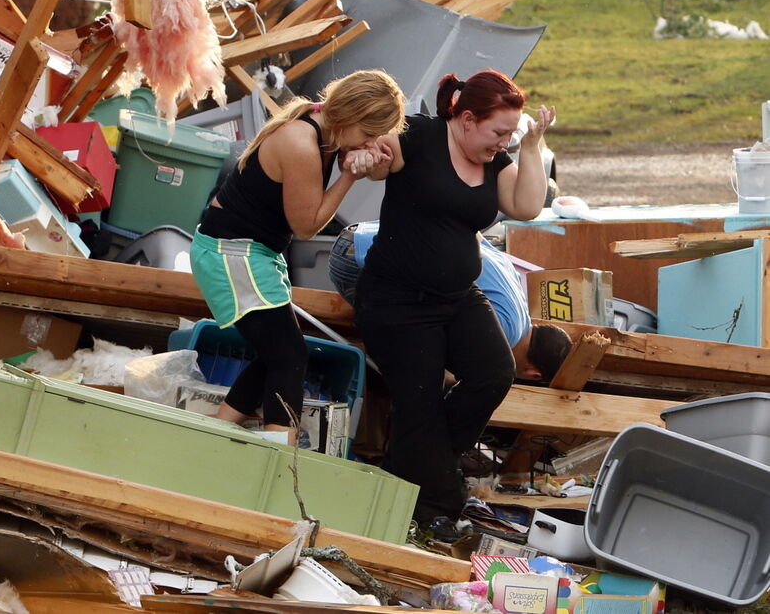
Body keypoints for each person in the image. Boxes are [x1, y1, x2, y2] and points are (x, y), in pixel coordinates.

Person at [352, 69, 554, 539]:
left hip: (457, 297)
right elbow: (379, 159)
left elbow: (527, 207)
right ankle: (435, 507)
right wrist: (370, 155)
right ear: (466, 119)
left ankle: (424, 469)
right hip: (396, 301)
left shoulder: (496, 161)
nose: (501, 141)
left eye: (509, 133)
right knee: (418, 401)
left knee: (493, 373)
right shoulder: (419, 135)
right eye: (497, 132)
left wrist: (529, 146)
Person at [189, 70, 406, 445]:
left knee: (275, 353)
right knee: (289, 356)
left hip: (253, 250)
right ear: (351, 116)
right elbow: (306, 227)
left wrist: (365, 156)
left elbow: (362, 159)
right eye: (369, 134)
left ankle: (211, 434)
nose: (371, 142)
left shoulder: (324, 126)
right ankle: (279, 460)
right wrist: (349, 179)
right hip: (232, 251)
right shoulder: (302, 144)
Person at [328, 221, 572, 381]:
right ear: (533, 373)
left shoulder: (517, 291)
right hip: (356, 258)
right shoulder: (503, 334)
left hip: (362, 233)